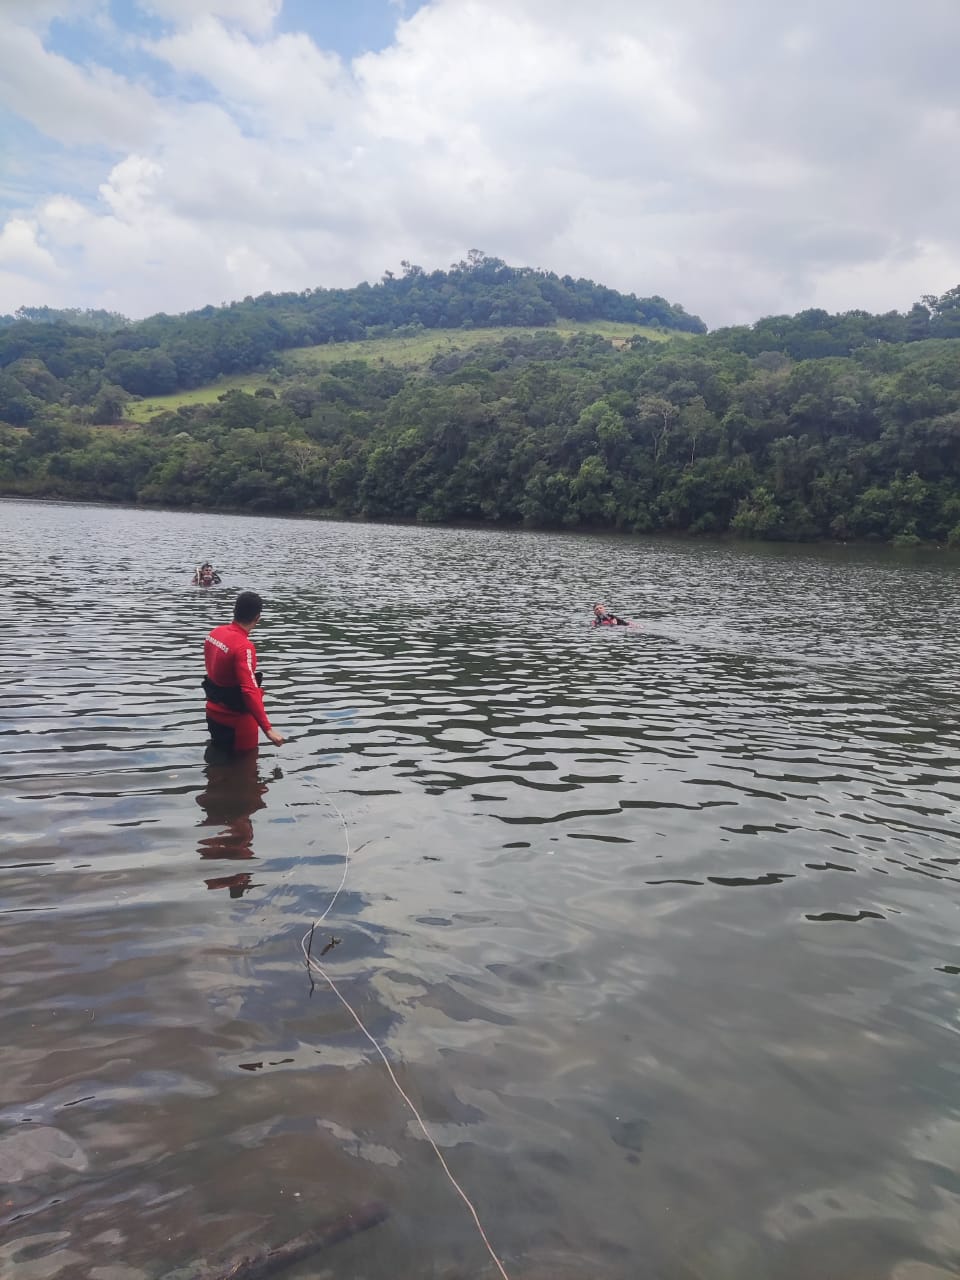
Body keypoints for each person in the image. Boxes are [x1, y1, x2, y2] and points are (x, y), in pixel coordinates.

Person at [202, 590, 285, 752]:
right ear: (257, 618)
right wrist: (268, 729)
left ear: (235, 611)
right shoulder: (244, 647)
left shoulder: (214, 633)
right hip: (237, 723)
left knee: (218, 759)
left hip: (212, 712)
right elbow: (249, 690)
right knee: (246, 764)